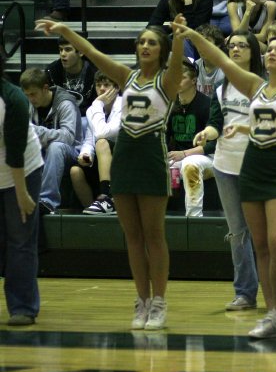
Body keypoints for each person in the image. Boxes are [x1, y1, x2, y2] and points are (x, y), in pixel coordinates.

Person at [34, 18, 186, 331]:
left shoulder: (167, 81)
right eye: (141, 42)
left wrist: (180, 36)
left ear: (162, 51)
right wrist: (64, 31)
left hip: (151, 160)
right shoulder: (127, 77)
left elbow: (176, 60)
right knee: (132, 237)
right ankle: (141, 299)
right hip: (125, 158)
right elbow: (91, 51)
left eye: (152, 42)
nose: (145, 46)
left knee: (153, 235)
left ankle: (159, 301)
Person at [177, 11, 276, 339]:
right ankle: (273, 315)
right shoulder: (256, 86)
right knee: (262, 246)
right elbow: (222, 61)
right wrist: (191, 36)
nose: (271, 53)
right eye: (270, 50)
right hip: (251, 168)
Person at [0, 50, 44, 326]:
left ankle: (23, 306)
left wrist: (22, 194)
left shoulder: (13, 99)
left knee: (20, 238)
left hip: (21, 171)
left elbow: (14, 153)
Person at [19, 68, 82, 217]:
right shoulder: (30, 104)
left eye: (33, 94)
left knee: (56, 147)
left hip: (72, 152)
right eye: (27, 95)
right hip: (44, 151)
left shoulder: (65, 103)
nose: (30, 99)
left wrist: (37, 132)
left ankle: (47, 201)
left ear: (45, 88)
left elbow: (68, 137)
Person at [166, 60, 215, 218]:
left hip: (209, 157)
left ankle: (193, 220)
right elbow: (164, 137)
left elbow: (214, 144)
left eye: (182, 77)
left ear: (194, 80)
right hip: (179, 157)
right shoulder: (170, 105)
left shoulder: (207, 105)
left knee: (190, 164)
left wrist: (186, 153)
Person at [70, 72, 121, 215]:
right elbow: (89, 139)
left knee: (102, 142)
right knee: (75, 171)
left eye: (107, 85)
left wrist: (98, 104)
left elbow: (102, 133)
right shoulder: (93, 109)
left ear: (116, 88)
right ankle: (94, 209)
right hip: (102, 158)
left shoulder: (124, 104)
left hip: (122, 158)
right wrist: (85, 154)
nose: (102, 89)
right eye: (99, 85)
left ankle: (107, 196)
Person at [45, 37, 96, 114]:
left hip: (86, 116)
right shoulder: (51, 71)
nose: (62, 54)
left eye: (68, 50)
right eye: (60, 49)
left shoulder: (94, 72)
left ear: (81, 52)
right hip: (60, 116)